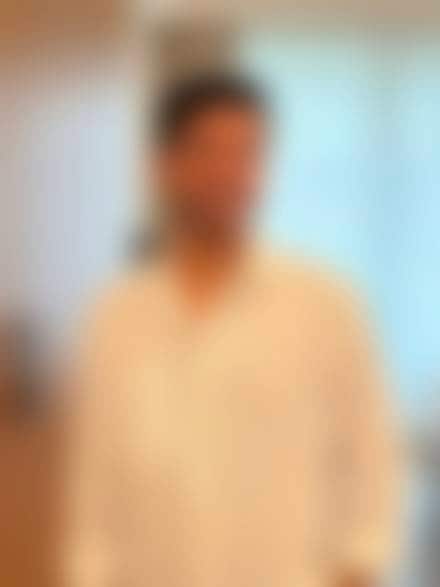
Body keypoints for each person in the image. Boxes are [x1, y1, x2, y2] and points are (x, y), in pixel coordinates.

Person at [63, 73, 399, 587]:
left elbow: (371, 461)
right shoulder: (115, 318)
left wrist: (357, 568)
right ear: (164, 165)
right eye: (210, 151)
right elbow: (94, 491)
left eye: (247, 153)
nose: (230, 173)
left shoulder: (323, 305)